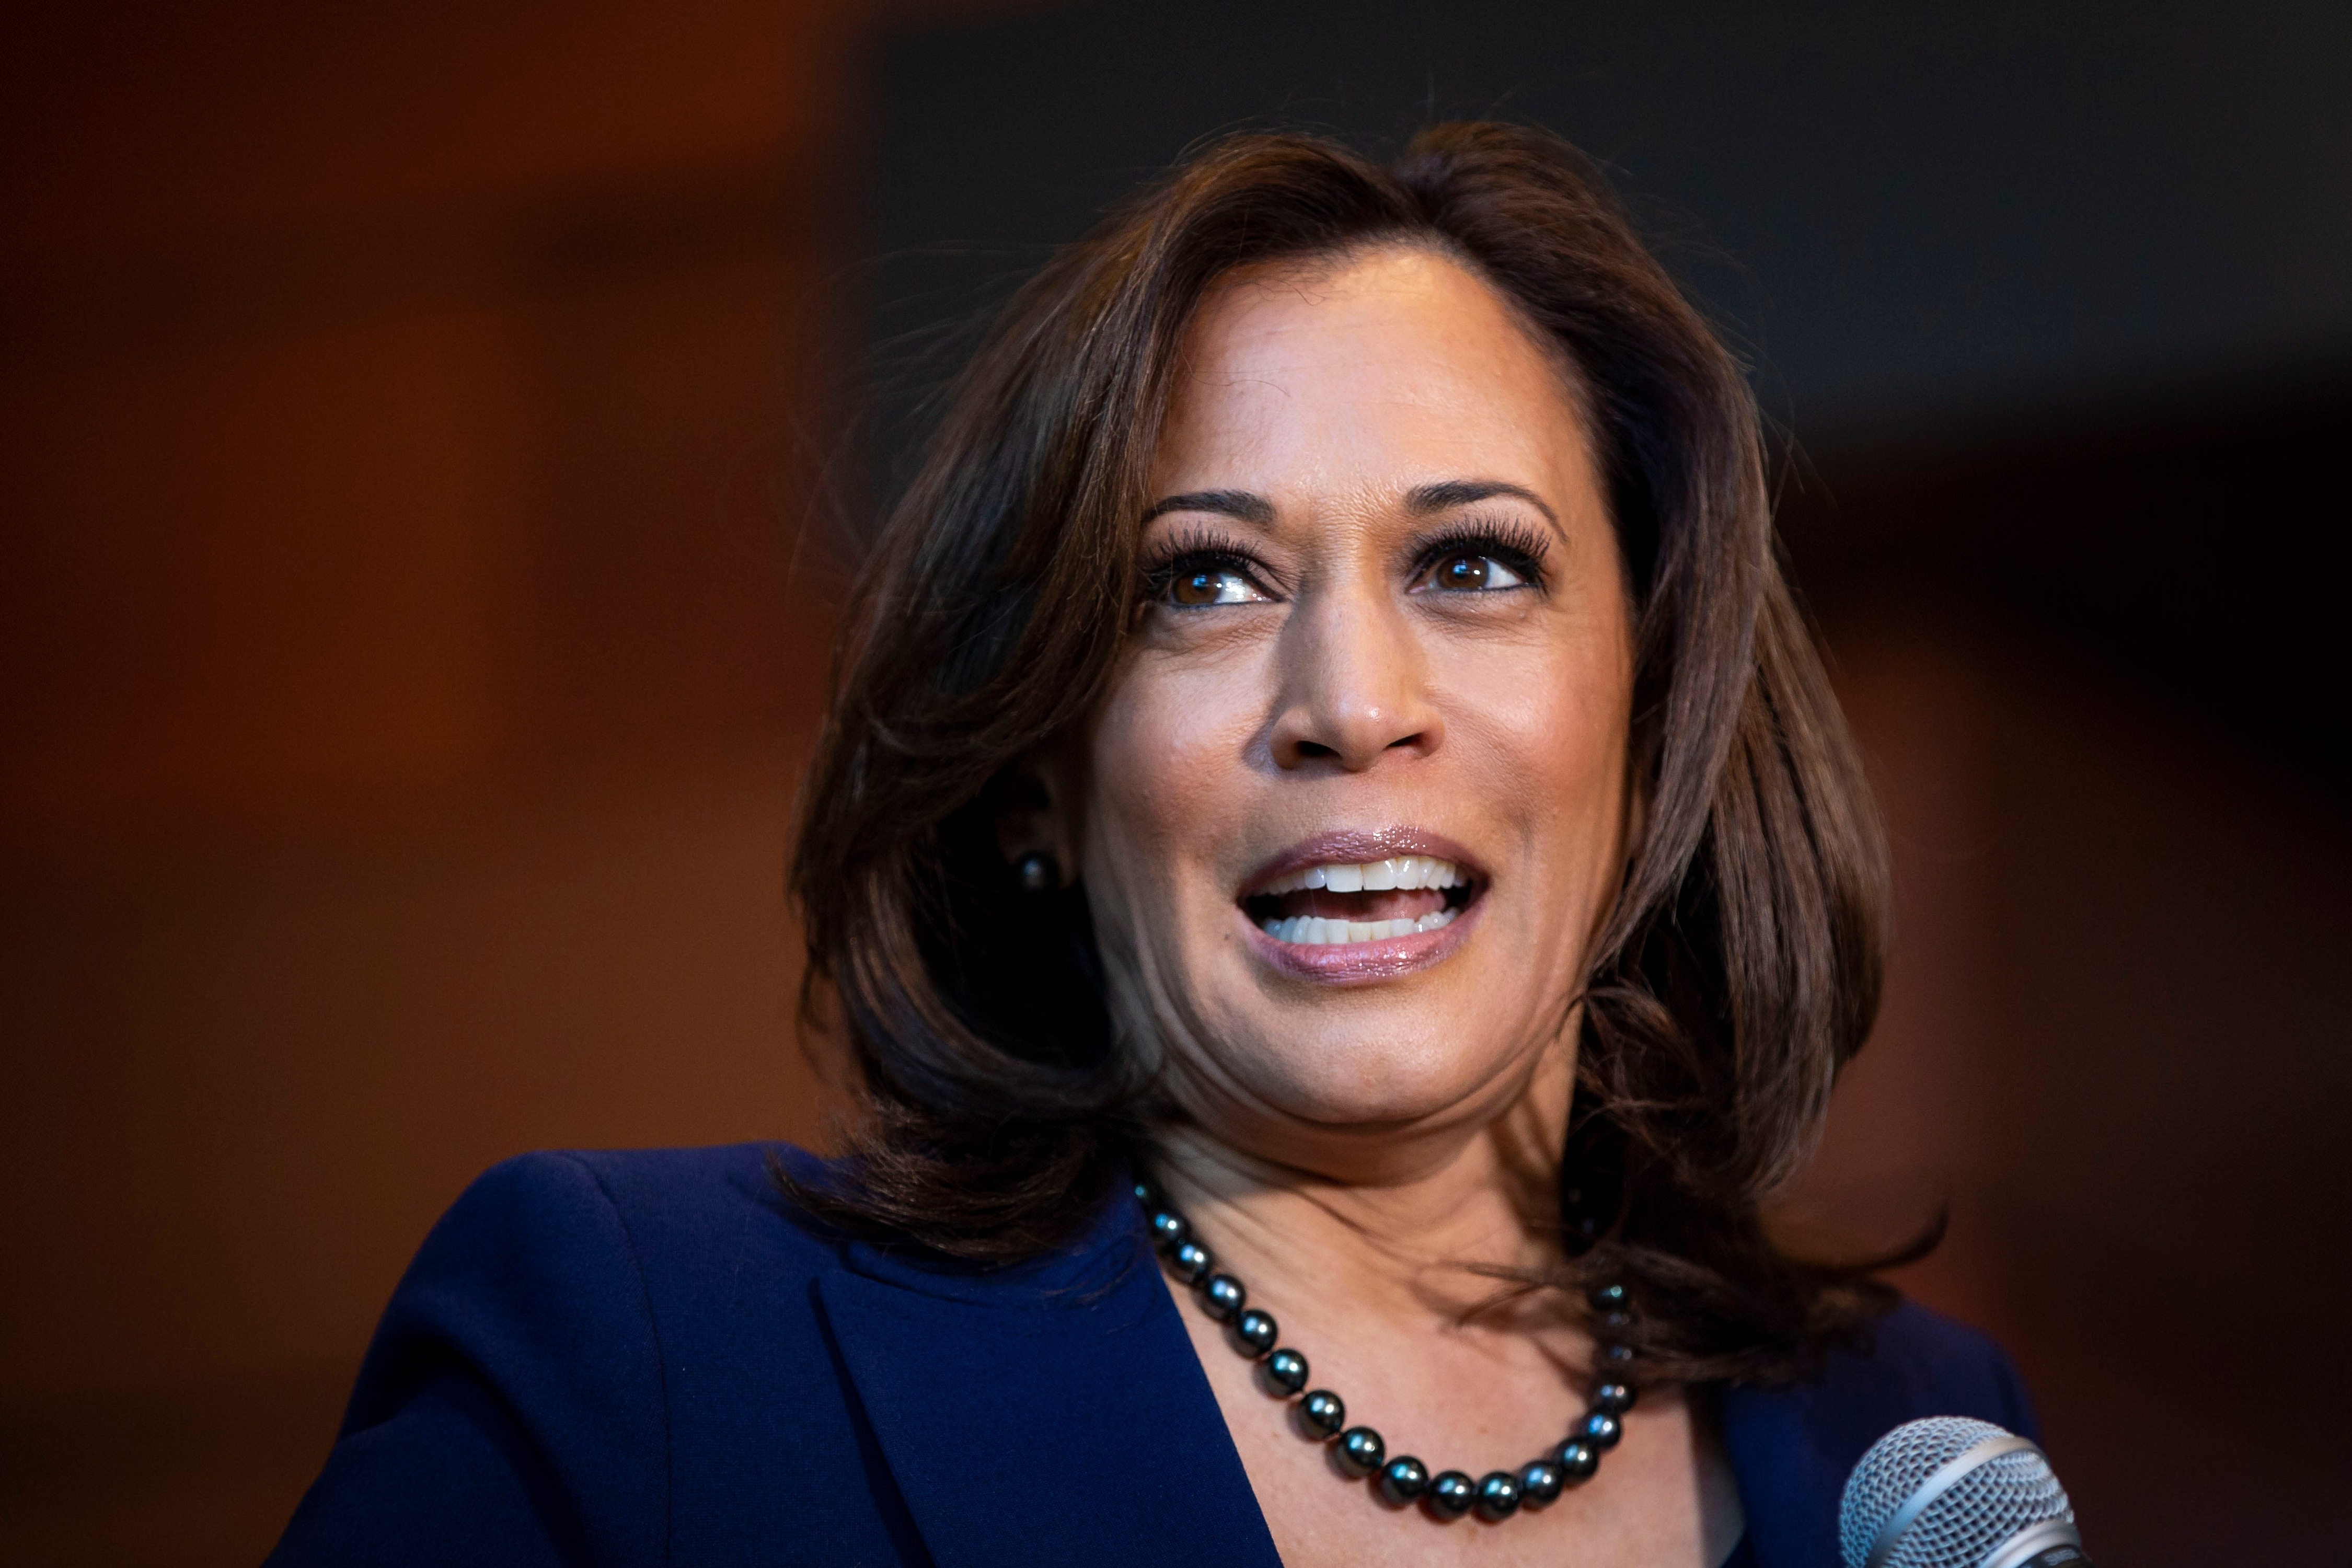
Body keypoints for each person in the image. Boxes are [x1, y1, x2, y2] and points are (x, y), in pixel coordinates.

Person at [269, 122, 2036, 1568]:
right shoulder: (655, 1356)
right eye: (1202, 581)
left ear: (1650, 729)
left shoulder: (1914, 1455)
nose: (1349, 699)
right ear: (1037, 774)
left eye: (1471, 564)